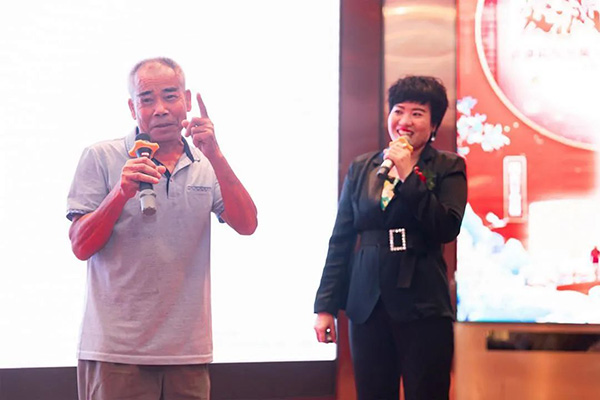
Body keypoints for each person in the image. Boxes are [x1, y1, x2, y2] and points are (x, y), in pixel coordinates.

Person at [67, 57, 257, 400]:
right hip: (116, 352)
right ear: (132, 107)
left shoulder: (207, 163)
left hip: (188, 352)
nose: (160, 109)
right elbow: (80, 246)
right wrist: (120, 192)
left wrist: (216, 154)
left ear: (187, 100)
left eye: (170, 96)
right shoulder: (100, 156)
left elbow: (247, 224)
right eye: (147, 99)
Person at [313, 76, 467, 400]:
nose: (405, 121)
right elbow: (341, 240)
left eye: (417, 113)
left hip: (423, 303)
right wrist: (325, 306)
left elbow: (446, 227)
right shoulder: (363, 168)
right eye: (398, 110)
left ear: (433, 124)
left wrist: (408, 173)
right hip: (368, 302)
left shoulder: (448, 166)